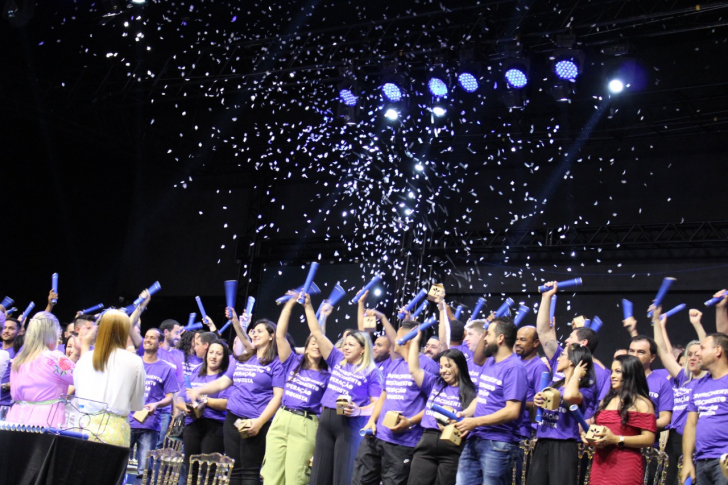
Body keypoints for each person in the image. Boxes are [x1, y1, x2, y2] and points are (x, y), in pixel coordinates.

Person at [187, 312, 284, 485]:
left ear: (271, 336)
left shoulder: (275, 363)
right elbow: (223, 382)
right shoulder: (243, 359)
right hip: (232, 419)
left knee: (250, 472)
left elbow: (278, 397)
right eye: (253, 331)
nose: (254, 334)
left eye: (259, 331)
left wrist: (260, 422)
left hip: (255, 422)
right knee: (233, 469)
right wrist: (200, 390)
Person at [306, 293, 383, 485]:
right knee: (319, 476)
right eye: (345, 344)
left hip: (350, 425)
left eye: (351, 345)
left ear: (363, 349)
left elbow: (377, 405)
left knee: (342, 477)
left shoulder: (372, 372)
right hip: (327, 419)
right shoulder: (336, 359)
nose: (346, 348)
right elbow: (317, 333)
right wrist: (308, 306)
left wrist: (358, 410)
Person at [352, 319, 439, 485]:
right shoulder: (395, 364)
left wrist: (410, 422)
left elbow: (434, 404)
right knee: (359, 481)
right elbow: (383, 397)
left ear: (407, 339)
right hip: (376, 437)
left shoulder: (428, 367)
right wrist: (371, 421)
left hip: (403, 443)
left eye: (397, 336)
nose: (392, 341)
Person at [260, 292, 330, 485]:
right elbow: (280, 335)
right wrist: (290, 304)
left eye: (319, 343)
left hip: (306, 423)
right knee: (271, 475)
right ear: (306, 347)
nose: (316, 345)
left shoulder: (328, 375)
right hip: (282, 418)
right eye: (312, 342)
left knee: (296, 478)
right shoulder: (292, 362)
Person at [455, 317, 527, 485]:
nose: (485, 338)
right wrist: (465, 414)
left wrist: (475, 422)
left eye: (487, 335)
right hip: (476, 438)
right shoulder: (491, 362)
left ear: (500, 338)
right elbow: (482, 397)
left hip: (498, 443)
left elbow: (512, 411)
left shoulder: (514, 368)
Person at [406, 332, 476, 485]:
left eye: (448, 366)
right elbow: (413, 369)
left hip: (453, 447)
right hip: (427, 443)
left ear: (460, 366)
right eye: (441, 367)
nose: (443, 370)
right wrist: (415, 342)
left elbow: (472, 421)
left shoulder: (472, 391)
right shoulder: (435, 383)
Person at [537, 282, 611, 418]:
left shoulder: (600, 375)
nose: (566, 340)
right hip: (546, 432)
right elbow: (543, 332)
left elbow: (599, 407)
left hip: (571, 434)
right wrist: (546, 297)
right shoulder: (561, 357)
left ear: (583, 343)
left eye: (570, 337)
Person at [73, 309, 146, 446]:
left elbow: (78, 395)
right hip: (115, 432)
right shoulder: (134, 361)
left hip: (84, 429)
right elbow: (137, 404)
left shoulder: (84, 359)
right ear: (124, 332)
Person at [528, 344, 596, 485]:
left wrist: (576, 375)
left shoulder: (585, 390)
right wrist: (536, 403)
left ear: (572, 361)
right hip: (543, 442)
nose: (558, 359)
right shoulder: (554, 386)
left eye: (562, 355)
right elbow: (536, 417)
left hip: (563, 447)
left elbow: (569, 396)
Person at [653, 308, 706, 485]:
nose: (692, 358)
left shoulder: (708, 380)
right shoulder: (683, 378)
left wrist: (697, 325)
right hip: (674, 438)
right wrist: (657, 323)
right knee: (668, 480)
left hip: (696, 437)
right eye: (689, 354)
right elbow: (663, 351)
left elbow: (708, 346)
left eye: (697, 355)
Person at [587, 355, 656, 485]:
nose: (612, 376)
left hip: (626, 466)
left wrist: (617, 439)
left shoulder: (642, 403)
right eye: (612, 371)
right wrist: (590, 438)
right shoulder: (606, 401)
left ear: (630, 373)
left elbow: (649, 439)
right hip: (600, 464)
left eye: (618, 371)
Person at [6, 312, 77, 427]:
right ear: (51, 333)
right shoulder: (54, 358)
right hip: (44, 422)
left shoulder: (18, 359)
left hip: (14, 418)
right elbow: (83, 379)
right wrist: (83, 350)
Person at [177, 340, 231, 480]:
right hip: (192, 424)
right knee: (190, 469)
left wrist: (204, 399)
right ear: (206, 355)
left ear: (224, 358)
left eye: (218, 354)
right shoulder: (195, 373)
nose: (214, 356)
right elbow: (179, 398)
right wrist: (186, 408)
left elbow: (226, 403)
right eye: (211, 352)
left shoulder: (225, 378)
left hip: (214, 426)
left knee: (209, 471)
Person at [129, 328, 178, 480]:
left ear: (160, 343)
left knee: (144, 470)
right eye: (146, 337)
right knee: (118, 462)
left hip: (150, 423)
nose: (148, 340)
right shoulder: (133, 363)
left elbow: (171, 396)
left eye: (152, 338)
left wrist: (156, 405)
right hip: (127, 420)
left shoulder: (166, 369)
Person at [681, 332, 728, 485]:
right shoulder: (699, 385)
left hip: (724, 460)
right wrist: (688, 461)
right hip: (702, 462)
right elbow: (691, 424)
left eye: (702, 348)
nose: (698, 353)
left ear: (718, 350)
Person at [627, 333, 673, 432]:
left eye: (641, 352)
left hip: (647, 442)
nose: (635, 355)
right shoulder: (617, 378)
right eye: (631, 351)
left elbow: (665, 418)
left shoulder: (662, 382)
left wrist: (642, 426)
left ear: (652, 357)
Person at [515, 325, 549, 439]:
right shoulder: (513, 362)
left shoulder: (539, 368)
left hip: (523, 430)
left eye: (523, 340)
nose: (517, 343)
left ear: (535, 343)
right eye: (516, 339)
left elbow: (541, 403)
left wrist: (515, 402)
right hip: (507, 425)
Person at [0, 317, 21, 407]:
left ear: (19, 332)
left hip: (7, 405)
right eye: (4, 327)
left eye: (11, 328)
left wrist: (5, 385)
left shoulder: (19, 352)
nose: (6, 331)